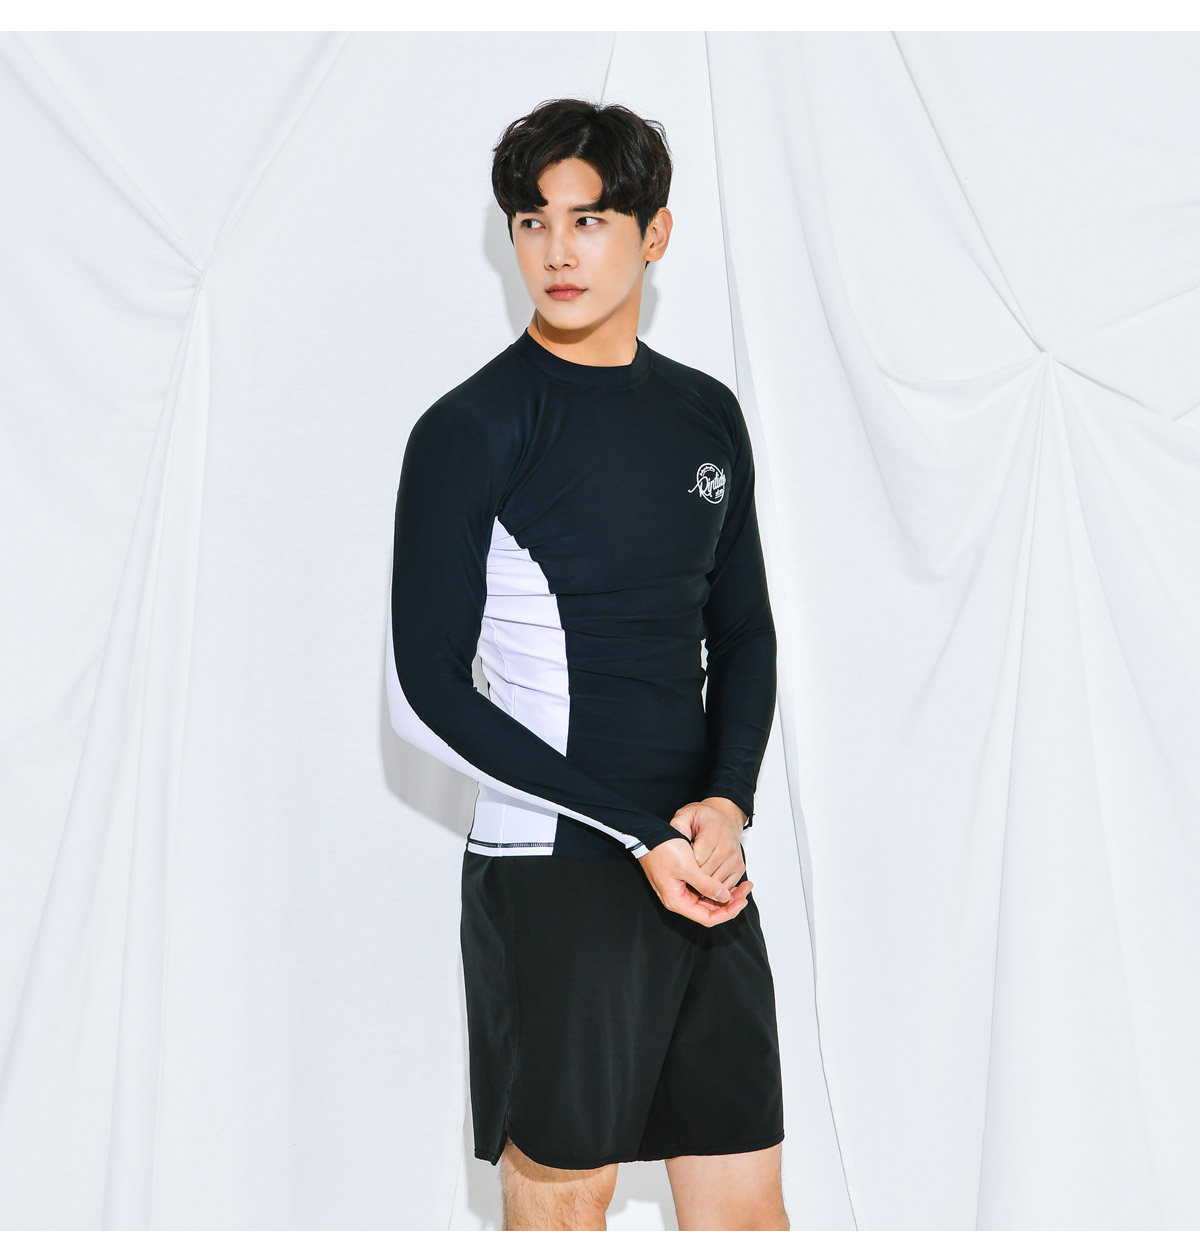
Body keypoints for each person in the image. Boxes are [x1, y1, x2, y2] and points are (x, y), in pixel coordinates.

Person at [387, 97, 787, 1231]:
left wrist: (726, 802)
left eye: (590, 219)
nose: (557, 251)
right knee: (565, 1196)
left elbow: (744, 632)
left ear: (654, 234)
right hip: (557, 867)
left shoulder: (705, 415)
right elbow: (423, 689)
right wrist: (637, 833)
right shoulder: (473, 428)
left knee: (746, 1200)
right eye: (532, 221)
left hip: (699, 859)